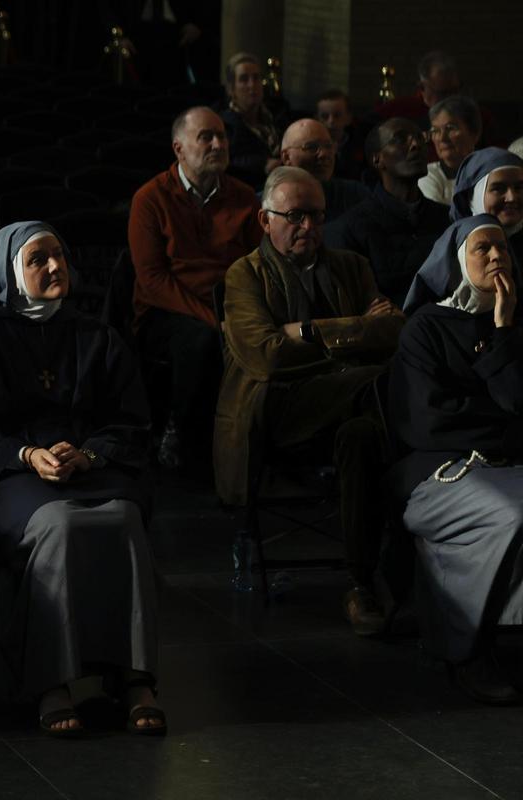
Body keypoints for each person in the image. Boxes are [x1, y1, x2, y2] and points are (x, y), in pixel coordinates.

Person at [0, 221, 162, 737]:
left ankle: (132, 677)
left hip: (89, 469)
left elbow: (132, 421)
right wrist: (26, 452)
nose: (56, 267)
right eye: (38, 259)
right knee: (58, 525)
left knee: (122, 518)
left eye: (59, 255)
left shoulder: (96, 335)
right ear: (12, 273)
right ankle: (50, 681)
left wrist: (89, 455)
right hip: (9, 478)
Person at [216, 166, 405, 635]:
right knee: (378, 381)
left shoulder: (350, 266)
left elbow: (395, 330)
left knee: (362, 436)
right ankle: (418, 535)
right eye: (296, 216)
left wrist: (310, 333)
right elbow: (267, 357)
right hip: (279, 410)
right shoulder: (244, 275)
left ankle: (362, 583)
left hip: (350, 406)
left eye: (317, 217)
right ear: (265, 220)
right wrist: (355, 332)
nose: (309, 228)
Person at [389, 215, 523, 704]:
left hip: (507, 463)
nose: (495, 257)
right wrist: (504, 426)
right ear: (456, 263)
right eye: (482, 249)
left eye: (503, 250)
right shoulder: (425, 329)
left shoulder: (516, 322)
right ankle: (466, 651)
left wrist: (504, 328)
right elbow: (427, 423)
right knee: (511, 514)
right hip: (441, 470)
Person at [128, 106, 262, 468]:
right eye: (207, 137)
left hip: (229, 306)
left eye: (222, 136)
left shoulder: (244, 196)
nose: (219, 144)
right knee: (203, 342)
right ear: (179, 149)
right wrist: (211, 320)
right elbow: (153, 281)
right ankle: (185, 439)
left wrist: (241, 314)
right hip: (167, 311)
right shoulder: (151, 198)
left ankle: (251, 441)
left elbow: (256, 264)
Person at [324, 118, 450, 306]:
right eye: (400, 140)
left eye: (419, 138)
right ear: (377, 159)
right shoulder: (352, 228)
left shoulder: (447, 219)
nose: (416, 144)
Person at [277, 118, 369, 223]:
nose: (323, 154)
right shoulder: (268, 202)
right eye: (311, 147)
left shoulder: (356, 195)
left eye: (329, 146)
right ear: (286, 157)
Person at [220, 53, 284, 190]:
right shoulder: (224, 124)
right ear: (232, 89)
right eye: (244, 79)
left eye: (256, 78)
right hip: (250, 189)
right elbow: (227, 160)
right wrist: (263, 164)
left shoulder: (275, 114)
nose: (252, 85)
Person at [448, 149, 523, 255]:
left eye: (519, 188)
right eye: (498, 189)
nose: (512, 198)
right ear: (474, 197)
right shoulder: (454, 254)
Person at [418, 95, 481, 205]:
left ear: (474, 133)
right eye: (435, 131)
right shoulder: (428, 175)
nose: (442, 138)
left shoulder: (490, 173)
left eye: (450, 128)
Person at [316, 89, 365, 182]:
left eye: (337, 115)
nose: (331, 121)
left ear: (349, 118)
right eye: (324, 116)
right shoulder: (312, 148)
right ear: (317, 118)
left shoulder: (359, 146)